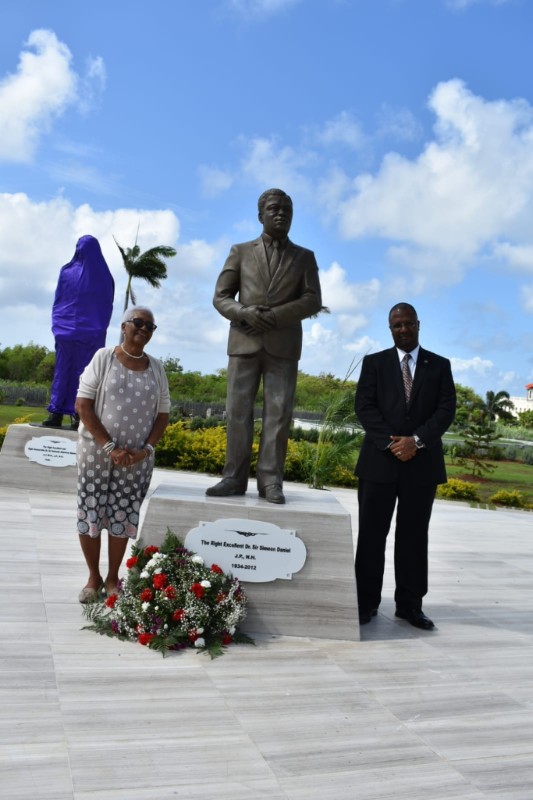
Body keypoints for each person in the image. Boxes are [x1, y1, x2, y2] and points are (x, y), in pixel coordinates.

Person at [206, 188, 323, 504]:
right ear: (260, 215)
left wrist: (274, 317)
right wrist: (244, 312)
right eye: (274, 208)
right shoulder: (240, 251)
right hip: (244, 341)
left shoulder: (304, 257)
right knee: (237, 412)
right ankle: (233, 477)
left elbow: (313, 299)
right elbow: (221, 296)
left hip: (283, 345)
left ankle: (271, 481)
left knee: (279, 415)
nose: (281, 213)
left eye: (287, 209)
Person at [354, 303, 456, 629]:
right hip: (378, 464)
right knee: (371, 535)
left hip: (421, 466)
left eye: (408, 323)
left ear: (418, 324)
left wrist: (416, 441)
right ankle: (365, 602)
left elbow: (445, 410)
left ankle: (410, 605)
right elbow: (364, 407)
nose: (403, 329)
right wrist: (392, 443)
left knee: (413, 537)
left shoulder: (439, 366)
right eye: (396, 325)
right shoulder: (375, 363)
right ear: (390, 328)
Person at [75, 306, 170, 602]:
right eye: (138, 323)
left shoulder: (157, 368)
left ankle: (113, 577)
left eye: (150, 326)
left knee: (123, 514)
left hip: (136, 460)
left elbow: (162, 415)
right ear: (124, 326)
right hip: (96, 454)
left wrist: (146, 450)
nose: (143, 329)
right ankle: (93, 577)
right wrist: (109, 447)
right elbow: (83, 405)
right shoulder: (103, 358)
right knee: (92, 511)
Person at [43, 235, 115, 430]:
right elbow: (106, 305)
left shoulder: (68, 272)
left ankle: (61, 414)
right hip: (86, 334)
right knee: (82, 375)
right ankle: (72, 415)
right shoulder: (104, 276)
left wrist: (59, 326)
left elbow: (59, 302)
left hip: (71, 332)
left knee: (66, 372)